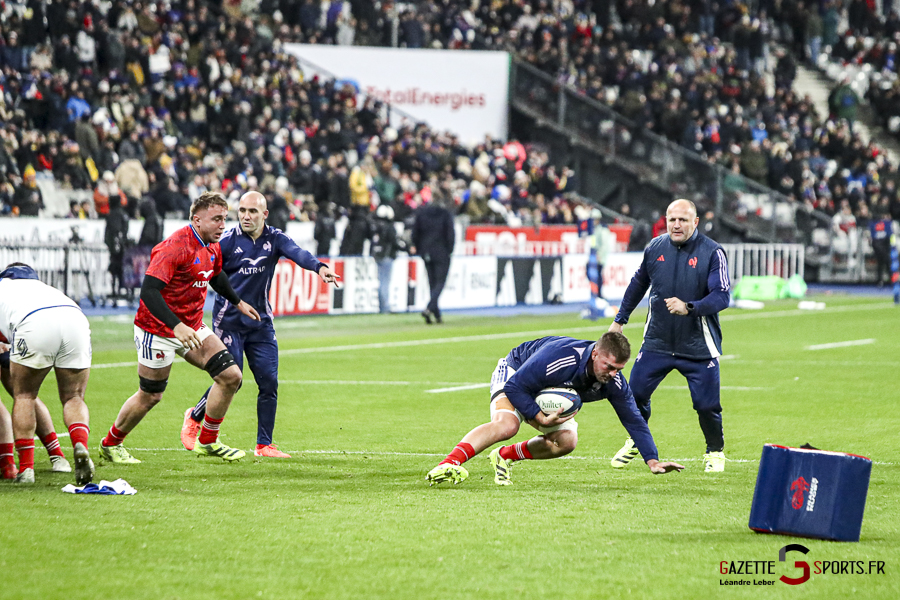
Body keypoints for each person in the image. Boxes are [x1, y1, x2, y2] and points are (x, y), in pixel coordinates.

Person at [99, 192, 261, 464]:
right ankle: (111, 444)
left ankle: (208, 440)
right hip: (157, 330)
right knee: (151, 395)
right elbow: (149, 292)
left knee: (231, 376)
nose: (223, 225)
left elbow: (216, 275)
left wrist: (238, 301)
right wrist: (175, 327)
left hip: (192, 326)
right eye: (216, 219)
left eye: (225, 218)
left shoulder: (212, 245)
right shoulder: (174, 246)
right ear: (196, 220)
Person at [180, 191, 339, 457]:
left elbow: (297, 252)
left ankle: (264, 445)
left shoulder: (274, 238)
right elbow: (208, 271)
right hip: (228, 322)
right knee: (232, 379)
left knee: (269, 382)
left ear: (264, 215)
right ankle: (195, 417)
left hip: (261, 324)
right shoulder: (227, 241)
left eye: (252, 211)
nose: (245, 216)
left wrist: (319, 267)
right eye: (242, 211)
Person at [425, 332, 684, 486]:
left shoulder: (613, 381)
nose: (614, 374)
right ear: (595, 355)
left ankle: (505, 456)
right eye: (609, 366)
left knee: (567, 441)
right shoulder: (561, 358)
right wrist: (538, 418)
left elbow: (634, 419)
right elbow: (516, 387)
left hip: (549, 389)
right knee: (508, 425)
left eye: (619, 369)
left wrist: (652, 460)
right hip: (517, 371)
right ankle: (449, 464)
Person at [608, 199, 731, 472]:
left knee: (706, 405)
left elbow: (722, 296)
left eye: (683, 220)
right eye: (672, 219)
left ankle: (715, 452)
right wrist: (619, 320)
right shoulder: (655, 247)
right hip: (658, 341)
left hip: (698, 344)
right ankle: (636, 441)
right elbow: (638, 283)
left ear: (695, 222)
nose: (676, 225)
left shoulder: (712, 252)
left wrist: (690, 308)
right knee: (634, 394)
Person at [0, 263, 94, 485]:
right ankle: (79, 445)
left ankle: (26, 469)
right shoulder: (43, 288)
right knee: (74, 397)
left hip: (33, 322)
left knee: (24, 395)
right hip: (74, 318)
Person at [0, 345, 74, 479]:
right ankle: (56, 455)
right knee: (24, 393)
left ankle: (8, 464)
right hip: (19, 336)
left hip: (12, 337)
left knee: (23, 395)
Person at [411, 197, 454, 324]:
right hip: (441, 252)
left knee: (432, 283)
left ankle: (437, 315)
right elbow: (450, 234)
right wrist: (449, 250)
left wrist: (419, 249)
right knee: (440, 282)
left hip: (426, 251)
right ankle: (430, 308)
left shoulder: (421, 213)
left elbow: (415, 233)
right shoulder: (445, 214)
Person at [369, 204, 403, 313]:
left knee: (381, 281)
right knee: (385, 282)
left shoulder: (375, 225)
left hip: (378, 256)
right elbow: (394, 242)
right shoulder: (389, 227)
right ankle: (385, 307)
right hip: (387, 256)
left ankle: (381, 305)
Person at [583, 208, 615, 320]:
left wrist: (599, 257)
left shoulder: (602, 230)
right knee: (592, 276)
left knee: (598, 277)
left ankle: (599, 296)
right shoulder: (594, 231)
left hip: (599, 259)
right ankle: (596, 295)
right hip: (594, 258)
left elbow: (604, 246)